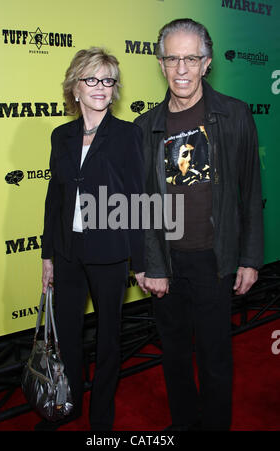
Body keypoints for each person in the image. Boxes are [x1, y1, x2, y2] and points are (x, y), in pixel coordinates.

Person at [134, 19, 263, 431]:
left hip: (215, 259)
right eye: (173, 58)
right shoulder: (145, 127)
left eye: (191, 58)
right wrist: (149, 263)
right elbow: (141, 205)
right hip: (168, 264)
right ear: (160, 64)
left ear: (207, 63)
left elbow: (250, 192)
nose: (182, 69)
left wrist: (249, 257)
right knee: (173, 356)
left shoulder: (235, 115)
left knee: (215, 358)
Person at [40, 47, 144, 431]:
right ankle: (69, 407)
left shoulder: (127, 134)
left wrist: (143, 261)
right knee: (68, 337)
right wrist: (48, 255)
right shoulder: (61, 135)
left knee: (108, 341)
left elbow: (137, 198)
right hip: (68, 253)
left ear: (114, 89)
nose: (100, 87)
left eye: (107, 80)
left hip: (110, 253)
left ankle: (101, 418)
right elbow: (55, 198)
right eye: (92, 79)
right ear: (76, 87)